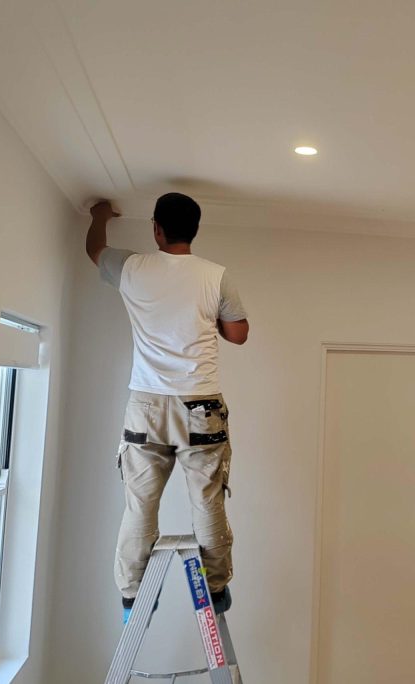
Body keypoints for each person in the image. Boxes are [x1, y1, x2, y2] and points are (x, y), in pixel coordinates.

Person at [85, 193, 249, 623]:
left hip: (147, 405)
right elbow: (238, 334)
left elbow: (93, 249)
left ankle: (134, 596)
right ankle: (215, 592)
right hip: (201, 403)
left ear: (156, 229)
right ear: (194, 230)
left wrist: (100, 214)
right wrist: (206, 317)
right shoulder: (216, 276)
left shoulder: (132, 267)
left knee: (140, 505)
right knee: (208, 501)